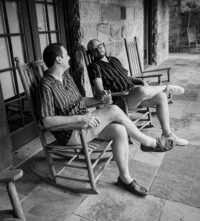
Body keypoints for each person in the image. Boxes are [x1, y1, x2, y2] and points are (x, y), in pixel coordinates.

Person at [36, 43, 174, 198]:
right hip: (71, 132)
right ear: (59, 59)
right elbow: (46, 121)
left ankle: (125, 178)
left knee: (119, 130)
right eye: (66, 54)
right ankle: (149, 143)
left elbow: (80, 101)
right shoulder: (46, 85)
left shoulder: (66, 77)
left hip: (85, 125)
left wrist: (99, 101)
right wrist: (81, 117)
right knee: (114, 110)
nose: (69, 57)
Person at [87, 39, 188, 146]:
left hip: (134, 94)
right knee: (141, 90)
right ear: (91, 53)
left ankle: (167, 134)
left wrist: (140, 81)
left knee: (161, 97)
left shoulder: (114, 60)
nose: (98, 50)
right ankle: (166, 87)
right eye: (94, 49)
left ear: (103, 45)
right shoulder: (94, 66)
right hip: (121, 99)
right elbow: (98, 86)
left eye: (99, 46)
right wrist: (101, 92)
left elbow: (126, 77)